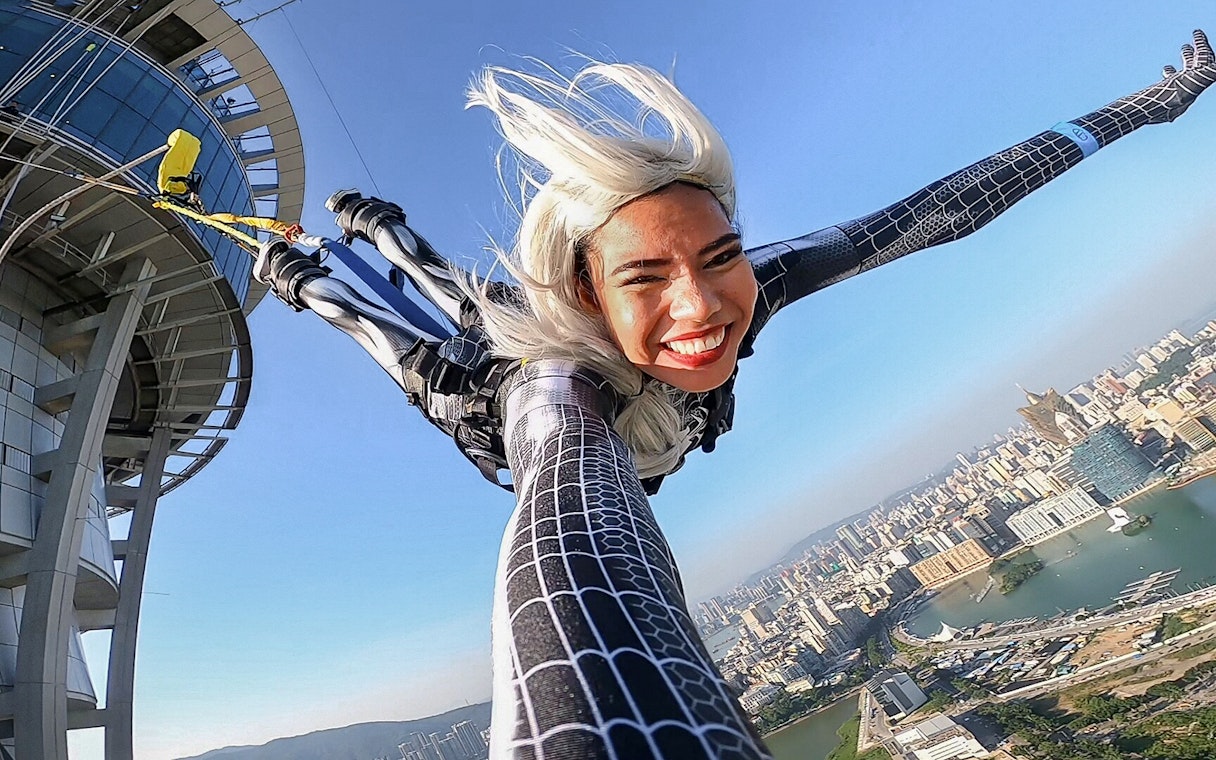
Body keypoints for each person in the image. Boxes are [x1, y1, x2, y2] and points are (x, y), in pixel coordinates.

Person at [254, 30, 1214, 759]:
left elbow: (931, 214)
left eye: (721, 256)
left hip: (607, 383)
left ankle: (380, 231)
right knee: (423, 322)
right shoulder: (557, 399)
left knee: (470, 294)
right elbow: (572, 537)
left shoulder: (746, 287)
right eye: (644, 278)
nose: (704, 304)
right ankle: (356, 247)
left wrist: (1160, 101)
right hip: (500, 399)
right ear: (590, 294)